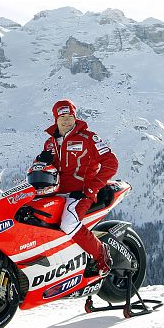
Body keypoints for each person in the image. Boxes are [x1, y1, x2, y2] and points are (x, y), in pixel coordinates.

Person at [35, 99, 118, 277]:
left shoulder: (88, 138)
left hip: (80, 193)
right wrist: (40, 162)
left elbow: (111, 163)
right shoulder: (50, 143)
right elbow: (42, 169)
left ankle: (101, 254)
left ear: (75, 117)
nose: (66, 121)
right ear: (55, 119)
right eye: (62, 117)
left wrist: (92, 188)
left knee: (68, 222)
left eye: (69, 117)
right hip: (55, 193)